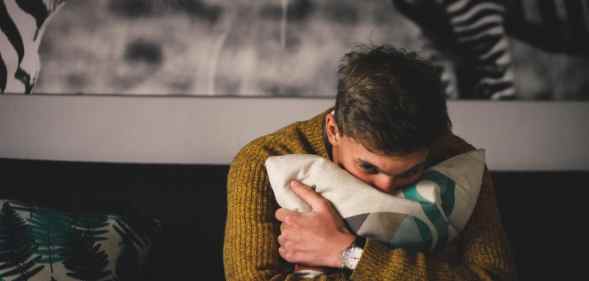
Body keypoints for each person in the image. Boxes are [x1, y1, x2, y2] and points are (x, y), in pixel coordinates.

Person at [223, 44, 516, 280]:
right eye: (368, 167)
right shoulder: (262, 160)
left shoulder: (457, 161)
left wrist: (347, 253)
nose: (386, 186)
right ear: (333, 130)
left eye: (410, 171)